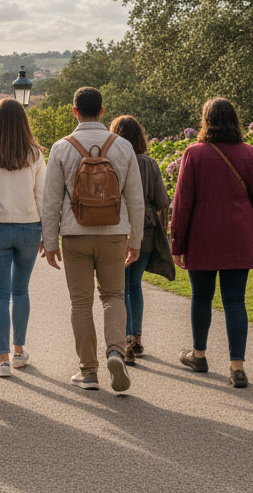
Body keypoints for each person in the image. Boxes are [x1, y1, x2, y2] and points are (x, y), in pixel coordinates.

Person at [40, 87, 144, 393]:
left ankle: (88, 371)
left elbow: (50, 200)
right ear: (102, 111)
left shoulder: (61, 148)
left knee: (81, 302)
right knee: (113, 296)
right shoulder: (122, 146)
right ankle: (116, 352)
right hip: (114, 234)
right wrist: (136, 240)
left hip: (75, 235)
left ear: (75, 111)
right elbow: (136, 199)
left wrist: (50, 242)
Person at [171, 98, 253, 389]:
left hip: (203, 234)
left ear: (206, 120)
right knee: (235, 300)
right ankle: (237, 367)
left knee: (201, 297)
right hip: (240, 234)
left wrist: (177, 242)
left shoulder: (194, 153)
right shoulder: (249, 153)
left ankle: (199, 355)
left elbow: (182, 203)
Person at [0, 98, 46, 378]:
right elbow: (42, 197)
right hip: (29, 227)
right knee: (21, 291)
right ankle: (18, 351)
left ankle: (2, 360)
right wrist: (47, 234)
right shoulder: (35, 154)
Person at [109, 115, 171, 364]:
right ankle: (136, 336)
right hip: (146, 228)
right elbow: (163, 201)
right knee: (135, 284)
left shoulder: (114, 159)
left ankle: (125, 339)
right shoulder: (150, 164)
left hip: (118, 224)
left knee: (121, 286)